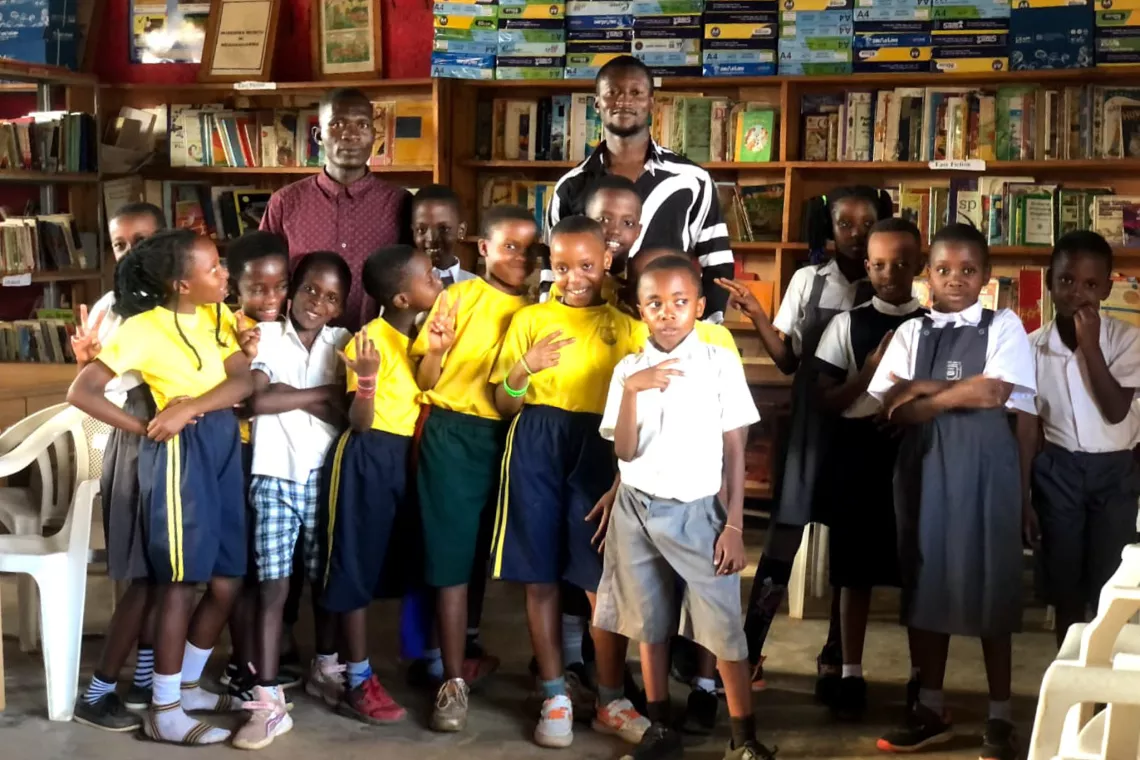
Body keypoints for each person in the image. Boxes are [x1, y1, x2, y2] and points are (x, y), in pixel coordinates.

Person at [67, 229, 255, 745]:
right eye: (214, 268)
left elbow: (246, 381)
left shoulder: (217, 317)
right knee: (175, 581)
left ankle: (184, 686)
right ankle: (165, 709)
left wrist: (194, 406)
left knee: (226, 575)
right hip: (177, 457)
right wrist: (149, 427)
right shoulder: (144, 329)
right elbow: (82, 391)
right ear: (181, 284)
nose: (225, 275)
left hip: (217, 442)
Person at [595, 253, 774, 760]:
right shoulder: (629, 369)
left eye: (679, 302)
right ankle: (659, 726)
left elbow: (736, 448)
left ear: (698, 306)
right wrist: (633, 391)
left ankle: (745, 738)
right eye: (655, 303)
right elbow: (625, 451)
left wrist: (735, 523)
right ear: (639, 309)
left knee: (722, 625)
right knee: (648, 621)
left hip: (698, 511)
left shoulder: (719, 362)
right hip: (635, 510)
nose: (668, 312)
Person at [868, 223, 1036, 760]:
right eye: (943, 270)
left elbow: (996, 392)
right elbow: (891, 406)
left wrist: (924, 391)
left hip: (988, 472)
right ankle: (931, 705)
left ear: (986, 276)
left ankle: (999, 715)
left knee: (993, 585)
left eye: (967, 270)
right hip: (925, 472)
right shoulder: (912, 333)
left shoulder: (1004, 324)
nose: (955, 279)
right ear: (928, 276)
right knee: (927, 583)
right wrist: (930, 395)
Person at [490, 216, 648, 749]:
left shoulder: (629, 327)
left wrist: (623, 476)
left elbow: (644, 413)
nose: (573, 276)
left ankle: (610, 697)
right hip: (536, 441)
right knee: (538, 574)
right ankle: (555, 693)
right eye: (561, 266)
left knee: (599, 579)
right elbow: (504, 403)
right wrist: (524, 368)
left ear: (607, 260)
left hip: (599, 450)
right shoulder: (530, 321)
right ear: (549, 266)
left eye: (585, 264)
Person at [732, 185, 893, 697]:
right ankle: (750, 651)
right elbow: (786, 359)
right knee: (783, 537)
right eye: (845, 224)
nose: (855, 234)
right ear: (829, 230)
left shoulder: (887, 287)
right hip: (810, 427)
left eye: (867, 224)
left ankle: (838, 656)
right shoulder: (808, 279)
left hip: (860, 431)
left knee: (852, 547)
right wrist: (758, 317)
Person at [410, 205, 538, 732]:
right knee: (451, 558)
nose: (522, 258)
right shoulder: (458, 298)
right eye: (509, 246)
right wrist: (436, 350)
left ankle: (465, 647)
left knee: (487, 553)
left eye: (531, 249)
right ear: (482, 248)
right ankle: (451, 679)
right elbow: (426, 376)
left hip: (517, 440)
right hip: (456, 435)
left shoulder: (542, 308)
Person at [231, 252, 353, 750]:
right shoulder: (268, 337)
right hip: (273, 477)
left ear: (342, 305)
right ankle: (267, 697)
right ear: (292, 290)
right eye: (308, 291)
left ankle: (325, 666)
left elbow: (349, 412)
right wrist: (319, 395)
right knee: (273, 587)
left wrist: (303, 393)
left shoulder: (344, 342)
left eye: (330, 297)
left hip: (325, 476)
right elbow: (255, 401)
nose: (316, 303)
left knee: (325, 582)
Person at [320, 244, 441, 725]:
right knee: (355, 565)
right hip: (368, 457)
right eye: (429, 276)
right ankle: (357, 677)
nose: (438, 280)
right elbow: (361, 421)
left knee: (411, 562)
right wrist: (366, 381)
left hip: (404, 458)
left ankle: (422, 659)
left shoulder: (417, 335)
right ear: (403, 298)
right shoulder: (368, 341)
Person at [811, 218, 926, 720]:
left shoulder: (934, 323)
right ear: (866, 265)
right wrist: (868, 373)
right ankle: (851, 672)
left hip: (916, 452)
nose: (889, 273)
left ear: (919, 266)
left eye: (901, 263)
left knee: (917, 569)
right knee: (853, 570)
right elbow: (827, 401)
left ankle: (924, 678)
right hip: (858, 453)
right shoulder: (847, 324)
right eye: (878, 264)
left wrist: (912, 413)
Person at [1015, 230, 1140, 648]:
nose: (1078, 294)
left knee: (1109, 586)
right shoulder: (1032, 347)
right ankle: (1068, 665)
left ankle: (1102, 685)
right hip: (1059, 473)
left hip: (1116, 473)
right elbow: (1028, 426)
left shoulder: (1126, 340)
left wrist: (1090, 347)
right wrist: (1023, 497)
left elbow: (1115, 410)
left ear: (1107, 286)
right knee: (1064, 583)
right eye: (1067, 281)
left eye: (1090, 284)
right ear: (1050, 281)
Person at [72, 202, 167, 732]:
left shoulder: (181, 298)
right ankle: (101, 688)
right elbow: (98, 386)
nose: (133, 252)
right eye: (122, 244)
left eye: (144, 240)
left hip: (165, 440)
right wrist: (87, 361)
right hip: (137, 443)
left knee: (162, 571)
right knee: (145, 577)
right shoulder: (116, 305)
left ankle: (145, 678)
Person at [545, 56, 733, 322]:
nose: (624, 101)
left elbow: (717, 265)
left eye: (636, 92)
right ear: (597, 103)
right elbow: (550, 268)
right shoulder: (570, 186)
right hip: (587, 333)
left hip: (666, 335)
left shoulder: (693, 180)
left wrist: (704, 333)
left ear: (651, 103)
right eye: (613, 92)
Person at [261, 87, 413, 331]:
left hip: (377, 347)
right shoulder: (285, 202)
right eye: (338, 124)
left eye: (362, 125)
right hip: (299, 349)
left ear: (374, 135)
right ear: (318, 135)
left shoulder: (400, 203)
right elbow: (265, 279)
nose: (350, 135)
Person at [219, 231, 297, 699]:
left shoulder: (291, 327)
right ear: (235, 288)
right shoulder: (226, 329)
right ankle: (241, 663)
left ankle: (261, 655)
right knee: (243, 567)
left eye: (280, 286)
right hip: (239, 455)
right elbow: (242, 401)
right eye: (258, 289)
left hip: (278, 457)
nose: (271, 299)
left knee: (270, 569)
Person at [413, 183, 476, 286]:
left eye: (444, 229)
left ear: (461, 230)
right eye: (421, 229)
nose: (431, 238)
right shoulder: (404, 290)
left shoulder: (478, 288)